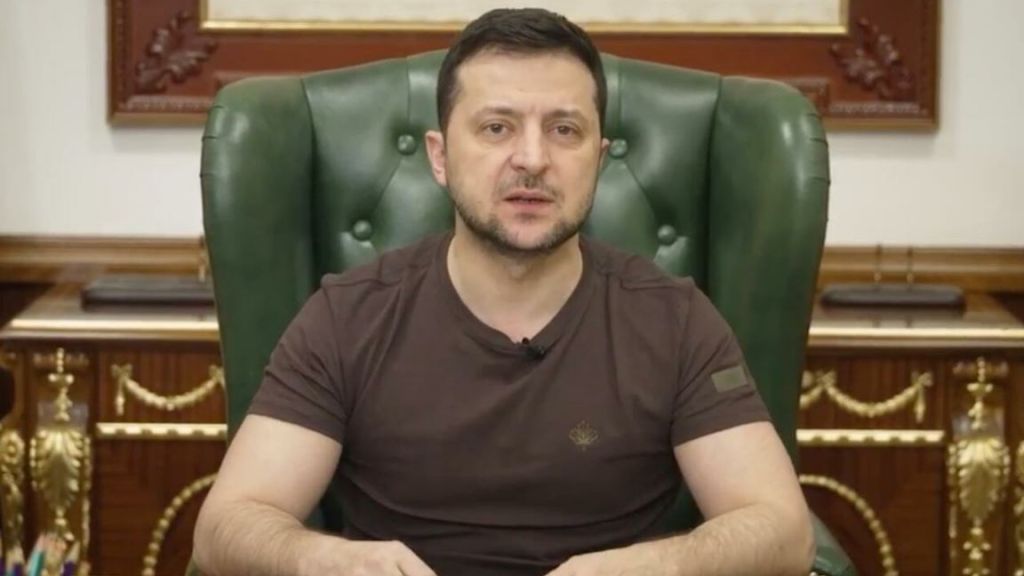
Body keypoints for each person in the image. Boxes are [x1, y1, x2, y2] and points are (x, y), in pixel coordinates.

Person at [193, 8, 814, 576]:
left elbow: (783, 532)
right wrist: (327, 560)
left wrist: (646, 568)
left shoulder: (675, 319)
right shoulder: (347, 316)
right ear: (440, 156)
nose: (532, 159)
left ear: (599, 159)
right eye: (496, 128)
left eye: (564, 130)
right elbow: (226, 527)